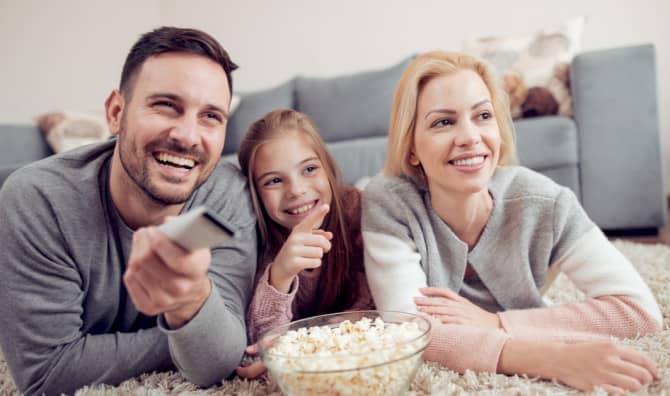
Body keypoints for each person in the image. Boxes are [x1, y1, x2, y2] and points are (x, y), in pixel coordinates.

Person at [361, 51, 662, 394]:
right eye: (443, 122)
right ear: (411, 147)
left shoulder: (547, 203)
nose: (470, 137)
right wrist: (550, 358)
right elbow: (411, 331)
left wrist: (497, 323)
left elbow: (638, 311)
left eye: (483, 116)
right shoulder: (388, 201)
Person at [0, 27, 257, 395]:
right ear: (116, 112)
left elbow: (218, 359)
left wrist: (192, 297)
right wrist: (192, 329)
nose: (187, 136)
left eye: (210, 116)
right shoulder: (37, 199)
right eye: (166, 105)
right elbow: (46, 374)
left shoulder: (227, 194)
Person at [234, 109, 374, 378]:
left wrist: (308, 339)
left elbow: (376, 313)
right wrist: (280, 274)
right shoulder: (255, 241)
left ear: (328, 167)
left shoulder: (360, 212)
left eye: (309, 169)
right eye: (274, 180)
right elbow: (261, 345)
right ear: (255, 193)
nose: (296, 190)